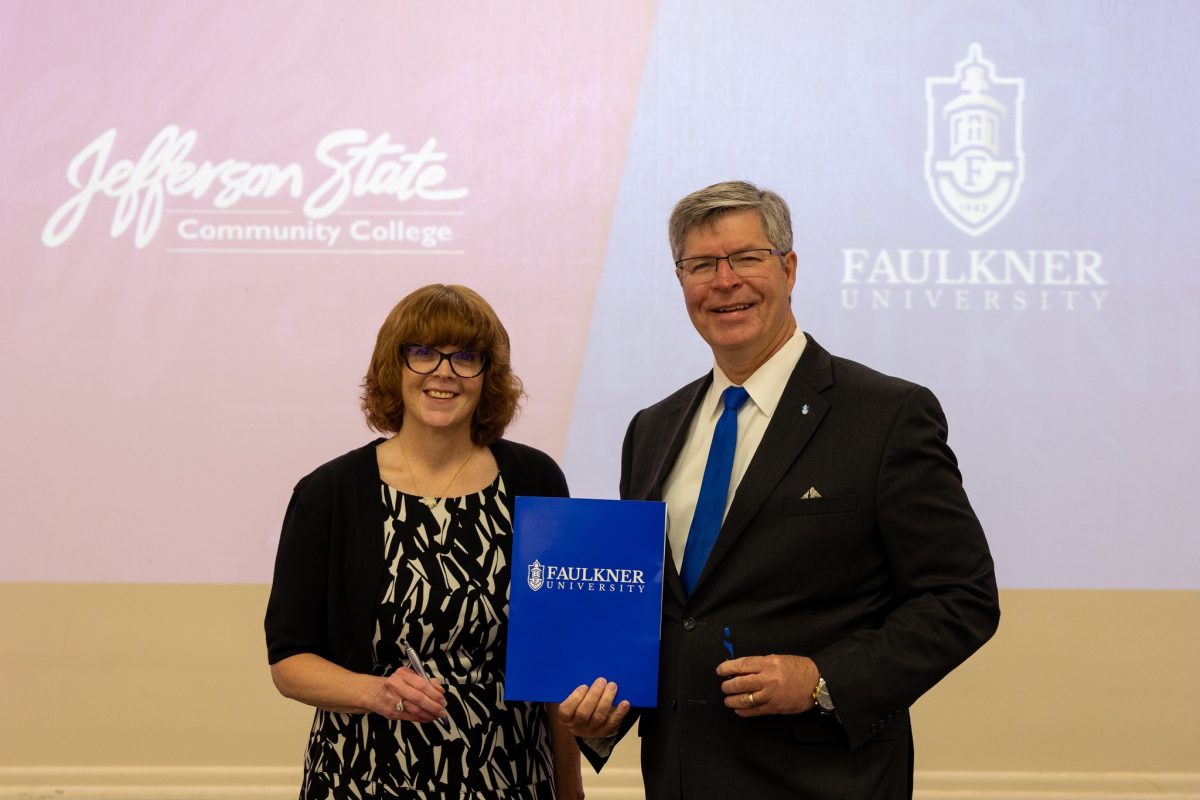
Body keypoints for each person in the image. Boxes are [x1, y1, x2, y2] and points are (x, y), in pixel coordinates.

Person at [559, 181, 1000, 799]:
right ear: (681, 281)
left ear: (788, 268)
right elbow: (666, 616)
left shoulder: (885, 414)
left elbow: (962, 598)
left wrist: (824, 678)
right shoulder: (652, 429)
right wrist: (607, 712)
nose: (724, 281)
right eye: (702, 265)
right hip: (682, 779)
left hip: (825, 782)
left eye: (745, 257)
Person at [265, 284, 583, 800]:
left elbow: (557, 657)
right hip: (362, 777)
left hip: (508, 777)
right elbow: (289, 661)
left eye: (465, 357)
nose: (444, 372)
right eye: (423, 353)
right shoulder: (330, 493)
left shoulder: (536, 480)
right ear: (395, 366)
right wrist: (374, 691)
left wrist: (569, 789)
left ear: (488, 375)